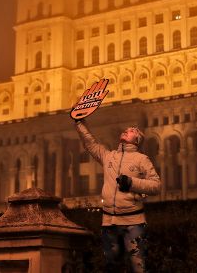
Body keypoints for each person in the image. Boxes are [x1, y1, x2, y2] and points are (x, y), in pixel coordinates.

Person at [70, 82, 161, 273]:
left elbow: (156, 185)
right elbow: (91, 144)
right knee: (111, 266)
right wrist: (79, 122)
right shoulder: (109, 156)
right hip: (109, 222)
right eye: (126, 129)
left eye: (130, 131)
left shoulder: (141, 159)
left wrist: (132, 183)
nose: (125, 131)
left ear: (136, 139)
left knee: (138, 266)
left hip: (133, 222)